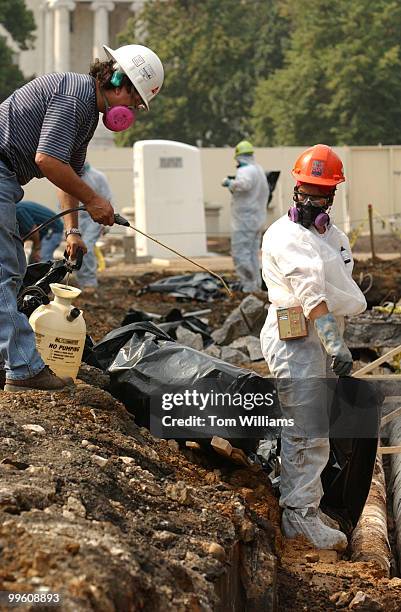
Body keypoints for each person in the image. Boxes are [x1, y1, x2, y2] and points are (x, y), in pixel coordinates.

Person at [0, 43, 164, 392]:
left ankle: (12, 360)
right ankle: (23, 369)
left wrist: (72, 231)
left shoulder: (87, 112)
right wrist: (94, 200)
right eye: (134, 103)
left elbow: (68, 172)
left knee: (11, 266)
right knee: (4, 272)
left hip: (8, 177)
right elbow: (47, 160)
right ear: (119, 80)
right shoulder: (74, 94)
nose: (132, 112)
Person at [260, 144, 367, 550]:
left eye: (319, 192)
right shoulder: (285, 235)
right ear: (295, 188)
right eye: (305, 190)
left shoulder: (333, 236)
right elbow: (310, 295)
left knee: (316, 425)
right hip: (296, 337)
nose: (311, 199)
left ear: (332, 195)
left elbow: (339, 289)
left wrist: (332, 340)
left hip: (318, 337)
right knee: (306, 428)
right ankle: (298, 518)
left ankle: (308, 504)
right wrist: (336, 344)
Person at [222, 140, 269, 292]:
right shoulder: (258, 169)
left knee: (240, 254)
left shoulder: (246, 171)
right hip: (257, 220)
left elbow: (243, 184)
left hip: (245, 221)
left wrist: (230, 183)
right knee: (253, 255)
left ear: (239, 157)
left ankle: (248, 287)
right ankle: (255, 286)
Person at [75, 162, 113, 293]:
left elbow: (107, 199)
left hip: (94, 219)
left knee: (87, 247)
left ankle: (89, 281)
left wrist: (106, 223)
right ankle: (81, 281)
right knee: (77, 249)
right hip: (77, 217)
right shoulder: (72, 176)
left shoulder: (98, 176)